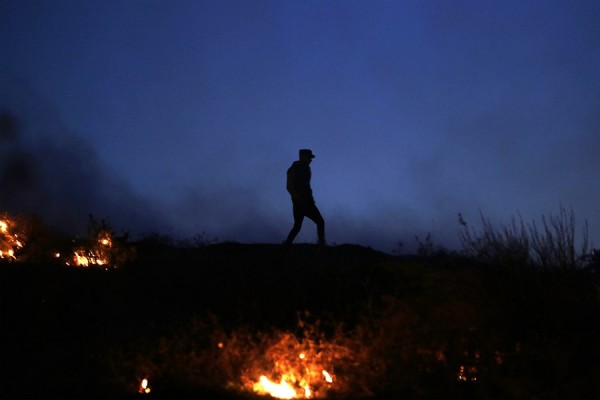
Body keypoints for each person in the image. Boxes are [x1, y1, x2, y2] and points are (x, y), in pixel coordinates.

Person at [284, 149, 325, 245]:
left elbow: (306, 187)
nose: (311, 160)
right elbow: (289, 187)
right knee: (300, 226)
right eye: (309, 157)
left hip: (307, 202)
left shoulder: (306, 169)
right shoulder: (294, 169)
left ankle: (321, 244)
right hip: (300, 203)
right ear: (303, 157)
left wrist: (310, 200)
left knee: (316, 222)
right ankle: (321, 245)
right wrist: (298, 200)